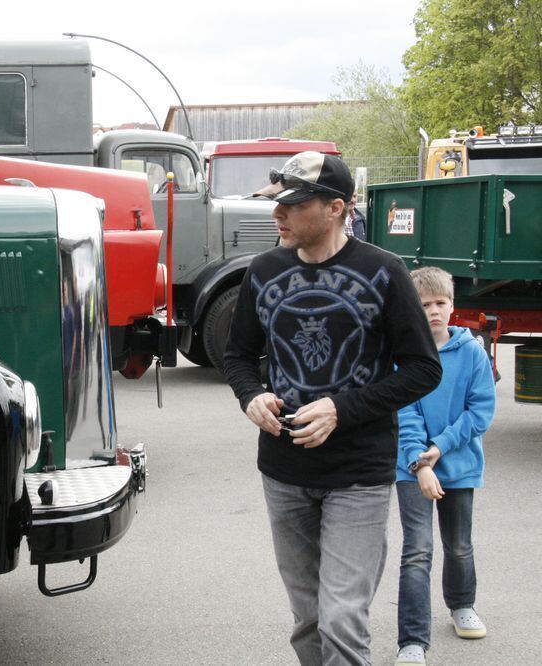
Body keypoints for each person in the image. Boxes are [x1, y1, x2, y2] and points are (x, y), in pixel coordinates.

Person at [223, 151, 442, 665]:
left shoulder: (384, 272)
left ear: (337, 208)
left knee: (342, 618)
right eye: (277, 202)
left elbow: (422, 368)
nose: (278, 214)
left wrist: (342, 409)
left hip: (358, 474)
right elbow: (236, 355)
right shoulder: (263, 270)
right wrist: (250, 395)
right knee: (308, 620)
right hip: (283, 469)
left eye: (294, 205)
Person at [394, 267, 496, 666]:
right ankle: (413, 640)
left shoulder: (472, 351)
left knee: (458, 545)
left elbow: (481, 410)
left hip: (459, 464)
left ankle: (461, 605)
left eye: (440, 303)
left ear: (452, 306)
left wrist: (440, 449)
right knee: (417, 550)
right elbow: (405, 413)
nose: (433, 311)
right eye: (424, 305)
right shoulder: (404, 355)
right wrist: (421, 462)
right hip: (412, 467)